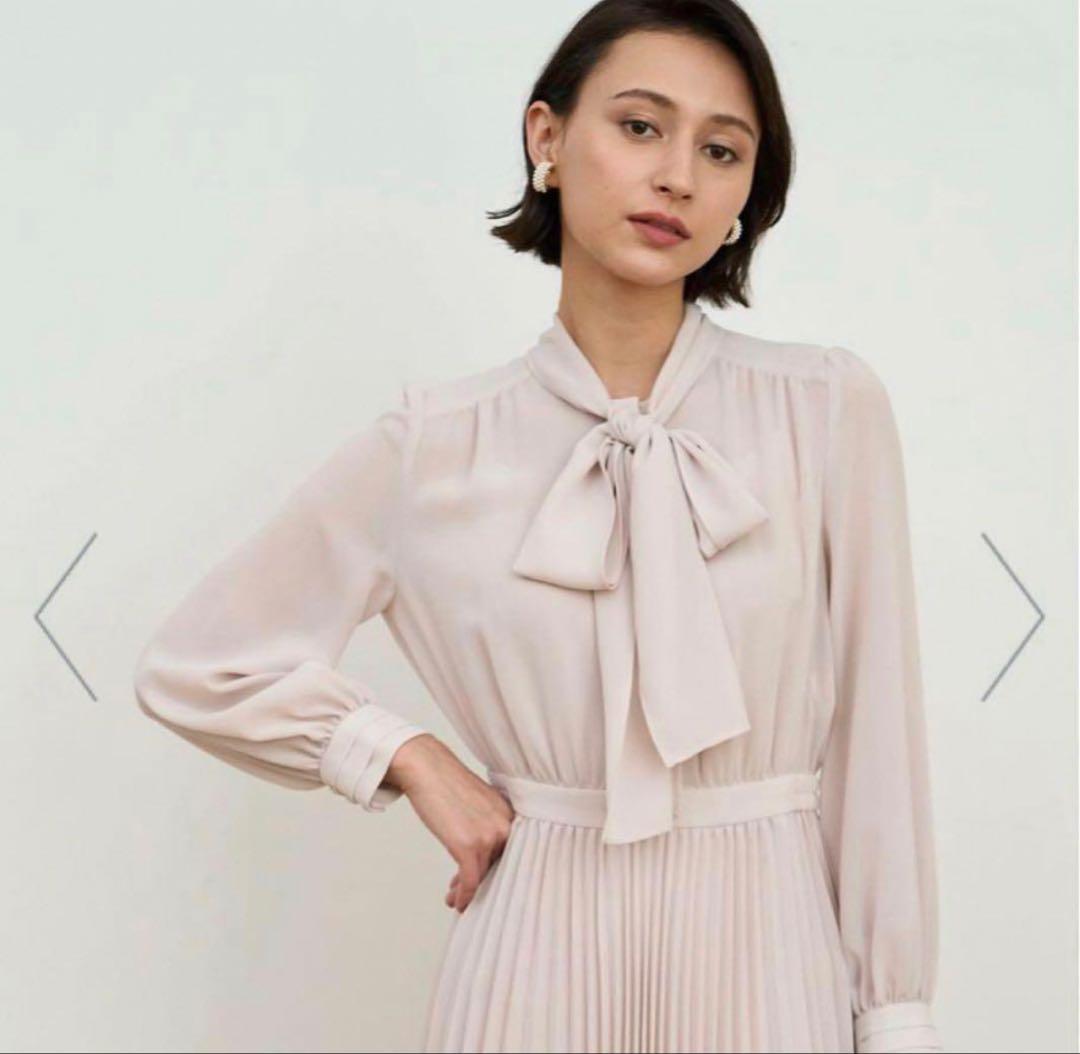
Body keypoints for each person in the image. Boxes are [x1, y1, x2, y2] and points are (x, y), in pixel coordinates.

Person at [132, 1, 944, 1051]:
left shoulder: (825, 409)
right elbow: (199, 665)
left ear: (747, 194)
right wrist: (403, 752)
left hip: (769, 953)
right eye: (641, 126)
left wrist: (895, 1019)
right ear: (547, 138)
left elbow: (881, 744)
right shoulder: (435, 445)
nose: (678, 177)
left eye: (721, 150)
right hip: (533, 960)